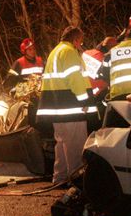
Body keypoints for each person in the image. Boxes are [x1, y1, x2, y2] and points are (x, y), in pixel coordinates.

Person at [36, 26, 96, 185]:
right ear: (76, 40)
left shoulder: (55, 52)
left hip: (58, 109)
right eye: (80, 41)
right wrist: (84, 101)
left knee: (62, 145)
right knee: (75, 146)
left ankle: (60, 178)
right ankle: (76, 181)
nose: (80, 45)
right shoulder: (69, 52)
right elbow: (75, 79)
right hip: (72, 108)